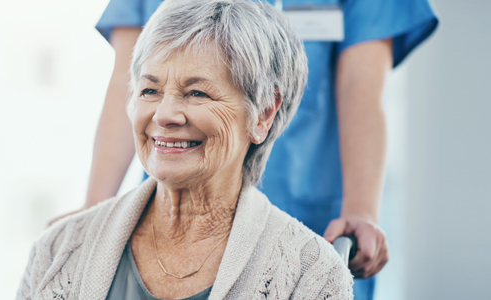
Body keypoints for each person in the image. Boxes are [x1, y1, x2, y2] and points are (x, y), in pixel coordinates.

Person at [51, 0, 437, 298]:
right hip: (178, 206)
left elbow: (362, 87)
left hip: (312, 216)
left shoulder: (316, 267)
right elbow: (130, 84)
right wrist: (93, 214)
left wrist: (360, 211)